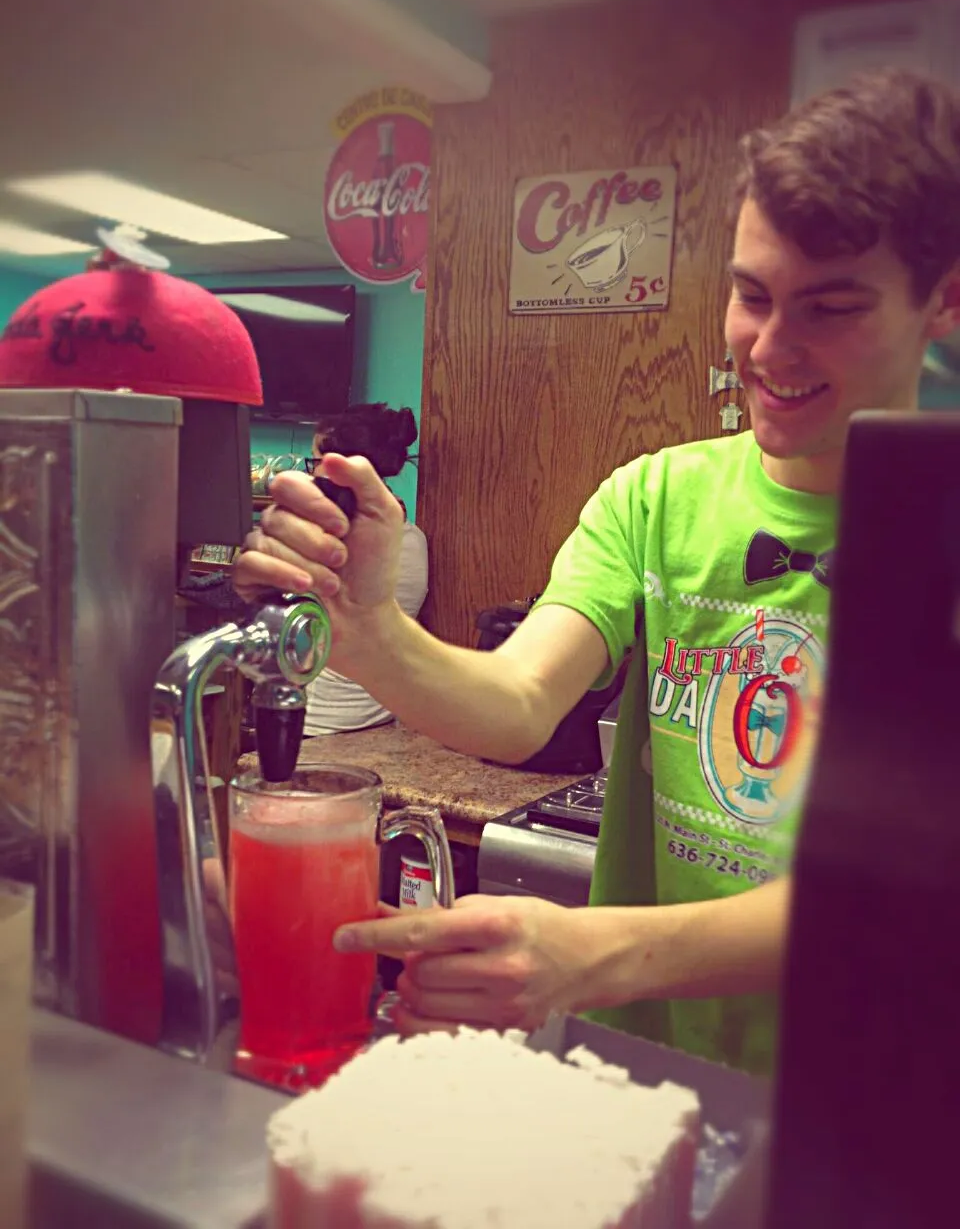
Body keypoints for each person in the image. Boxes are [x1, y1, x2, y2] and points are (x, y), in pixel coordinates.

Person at [234, 68, 960, 1075]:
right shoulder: (655, 496)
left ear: (944, 298)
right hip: (652, 1067)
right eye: (751, 295)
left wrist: (594, 951)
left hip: (873, 1085)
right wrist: (370, 625)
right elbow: (520, 701)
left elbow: (915, 886)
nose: (771, 347)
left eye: (832, 307)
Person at [301, 403, 427, 735]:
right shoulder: (412, 539)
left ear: (340, 470)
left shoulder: (341, 543)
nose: (310, 473)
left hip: (322, 723)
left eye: (314, 462)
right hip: (377, 719)